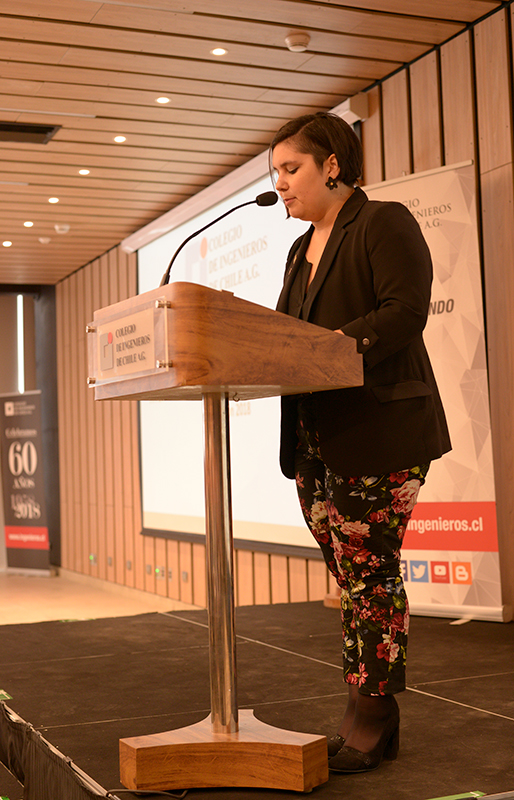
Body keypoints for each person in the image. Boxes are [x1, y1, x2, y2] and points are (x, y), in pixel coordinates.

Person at [269, 112, 451, 773]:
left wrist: (328, 350)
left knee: (369, 574)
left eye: (291, 169)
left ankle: (373, 716)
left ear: (332, 165)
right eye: (276, 173)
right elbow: (284, 333)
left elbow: (404, 311)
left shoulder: (382, 222)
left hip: (380, 428)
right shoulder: (298, 250)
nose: (280, 184)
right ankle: (362, 707)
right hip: (315, 436)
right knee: (351, 578)